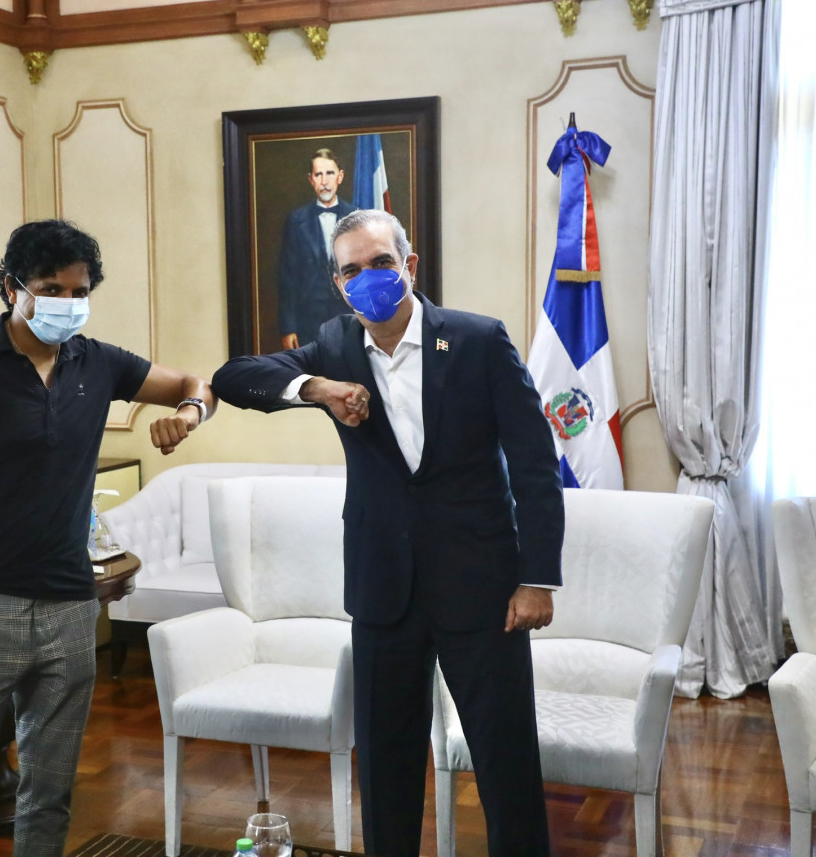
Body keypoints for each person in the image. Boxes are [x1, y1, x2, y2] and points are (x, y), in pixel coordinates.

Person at [0, 219, 216, 857]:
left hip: (71, 608)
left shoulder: (96, 362)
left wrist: (188, 415)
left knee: (48, 799)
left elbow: (196, 385)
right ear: (11, 288)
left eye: (79, 292)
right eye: (51, 289)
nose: (67, 304)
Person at [212, 210, 564, 856]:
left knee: (505, 760)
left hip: (482, 587)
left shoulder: (478, 339)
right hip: (382, 590)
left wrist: (537, 577)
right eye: (352, 270)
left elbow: (536, 464)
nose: (368, 278)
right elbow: (234, 377)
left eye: (381, 262)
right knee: (385, 766)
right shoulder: (335, 344)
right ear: (338, 284)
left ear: (410, 265)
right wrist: (318, 388)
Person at [277, 148, 356, 350]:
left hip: (348, 314)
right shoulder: (296, 220)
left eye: (330, 173)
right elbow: (287, 278)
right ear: (311, 179)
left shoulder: (356, 217)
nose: (324, 181)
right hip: (308, 318)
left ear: (340, 176)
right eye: (318, 174)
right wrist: (288, 328)